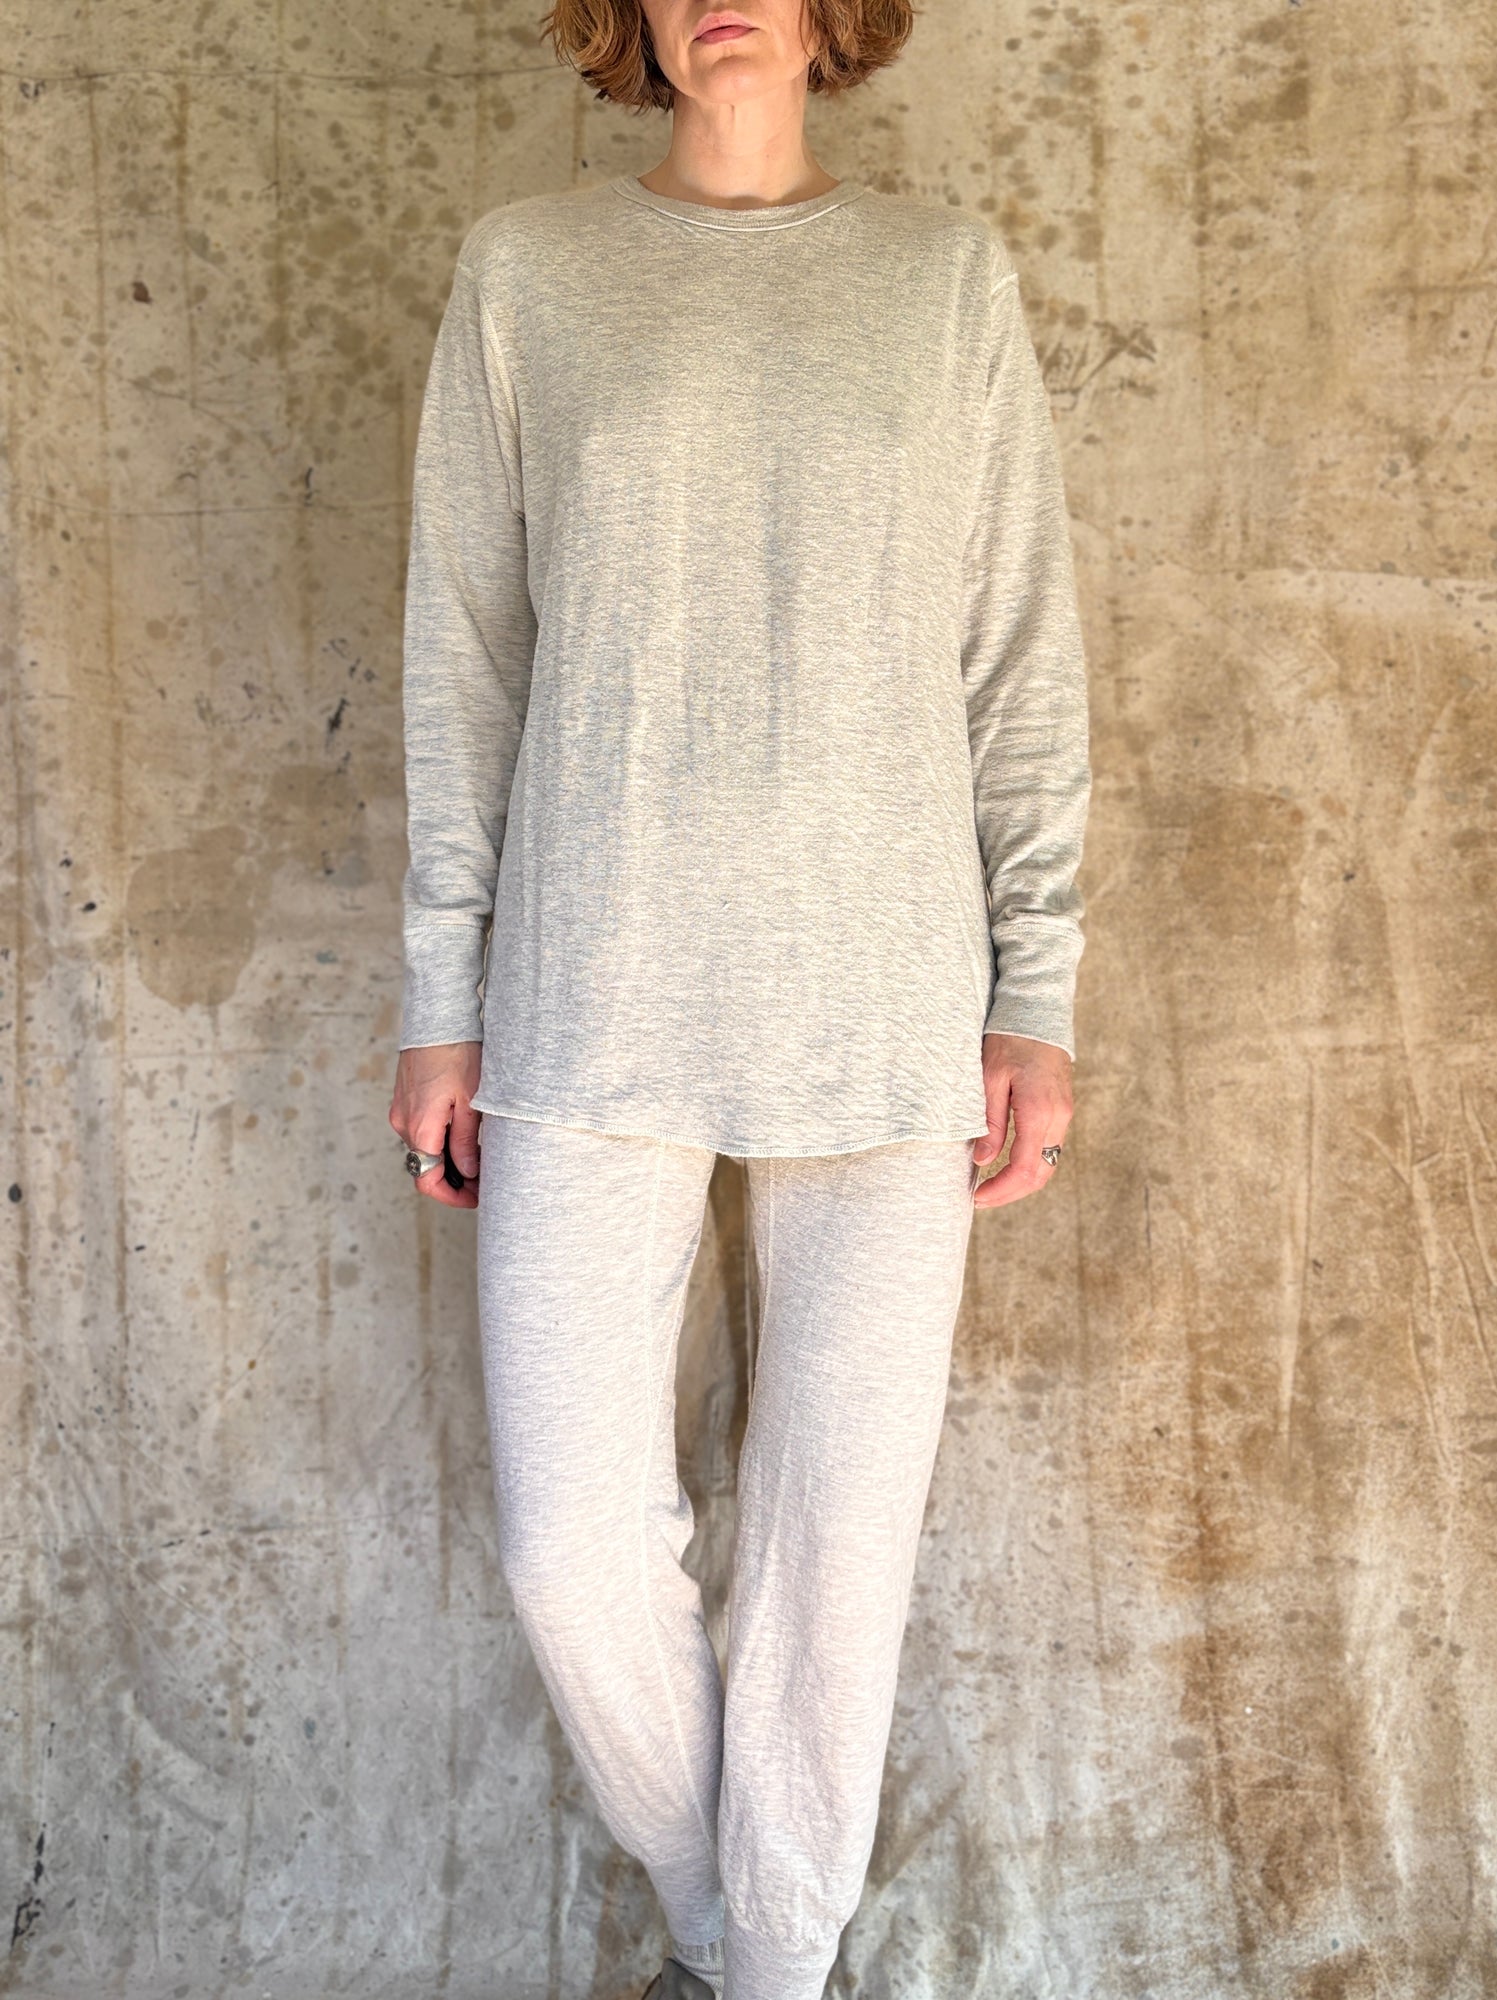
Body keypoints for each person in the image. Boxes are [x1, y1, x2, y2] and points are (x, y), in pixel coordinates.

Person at [387, 0, 1092, 1992]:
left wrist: (1036, 986)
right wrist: (442, 991)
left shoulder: (941, 282)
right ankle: (742, 1925)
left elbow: (1018, 654)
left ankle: (763, 1968)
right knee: (569, 1548)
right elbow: (464, 656)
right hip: (588, 985)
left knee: (831, 1558)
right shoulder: (529, 274)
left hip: (884, 990)